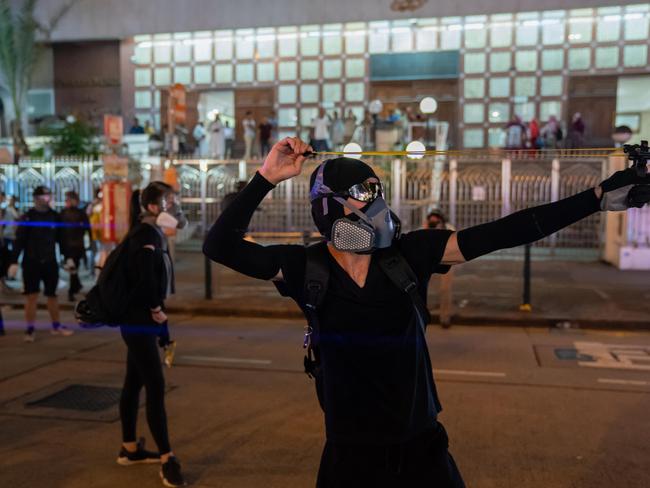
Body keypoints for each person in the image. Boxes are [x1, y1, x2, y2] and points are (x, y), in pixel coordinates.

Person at [203, 136, 650, 487]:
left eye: (378, 190)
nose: (376, 203)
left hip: (422, 449)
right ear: (329, 207)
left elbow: (507, 230)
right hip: (349, 455)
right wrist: (265, 176)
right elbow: (218, 245)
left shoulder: (410, 255)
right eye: (362, 193)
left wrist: (595, 197)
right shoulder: (305, 268)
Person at [117, 182, 187, 487]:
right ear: (155, 208)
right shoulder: (146, 235)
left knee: (133, 383)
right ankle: (166, 458)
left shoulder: (148, 232)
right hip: (139, 321)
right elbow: (145, 279)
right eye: (171, 202)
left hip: (137, 320)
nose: (177, 207)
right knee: (155, 387)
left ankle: (130, 448)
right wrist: (157, 310)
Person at [7, 186, 73, 342]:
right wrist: (13, 261)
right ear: (36, 198)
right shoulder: (28, 217)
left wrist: (68, 257)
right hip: (31, 262)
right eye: (43, 197)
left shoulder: (55, 217)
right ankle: (30, 329)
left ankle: (56, 326)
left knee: (52, 295)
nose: (47, 199)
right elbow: (19, 241)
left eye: (48, 196)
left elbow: (62, 240)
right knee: (31, 296)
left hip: (50, 261)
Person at [60, 190, 92, 302]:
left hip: (77, 245)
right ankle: (75, 287)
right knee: (72, 268)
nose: (68, 202)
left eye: (69, 199)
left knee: (73, 267)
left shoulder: (81, 213)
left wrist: (90, 242)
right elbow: (59, 230)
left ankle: (73, 289)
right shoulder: (63, 213)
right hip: (67, 245)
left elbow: (88, 228)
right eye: (67, 200)